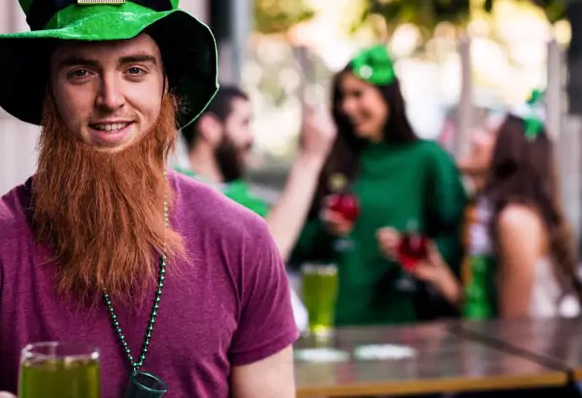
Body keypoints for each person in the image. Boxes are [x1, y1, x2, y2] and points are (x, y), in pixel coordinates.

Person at [0, 0, 298, 397]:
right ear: (48, 92)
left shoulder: (242, 241)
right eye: (81, 72)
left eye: (134, 69)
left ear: (166, 87)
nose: (111, 97)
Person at [290, 45, 467, 326]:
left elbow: (457, 237)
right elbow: (295, 247)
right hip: (336, 324)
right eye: (342, 97)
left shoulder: (428, 160)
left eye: (358, 94)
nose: (346, 106)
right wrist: (326, 230)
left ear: (388, 96)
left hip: (406, 325)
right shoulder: (331, 160)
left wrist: (415, 249)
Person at [379, 91, 582, 320]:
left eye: (487, 133)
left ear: (510, 152)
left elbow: (514, 333)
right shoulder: (489, 212)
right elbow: (485, 318)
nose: (472, 136)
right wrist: (440, 275)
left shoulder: (515, 221)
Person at [179, 85, 336, 261]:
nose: (251, 137)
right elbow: (266, 256)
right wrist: (310, 158)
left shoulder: (238, 194)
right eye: (244, 123)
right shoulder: (178, 196)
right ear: (210, 128)